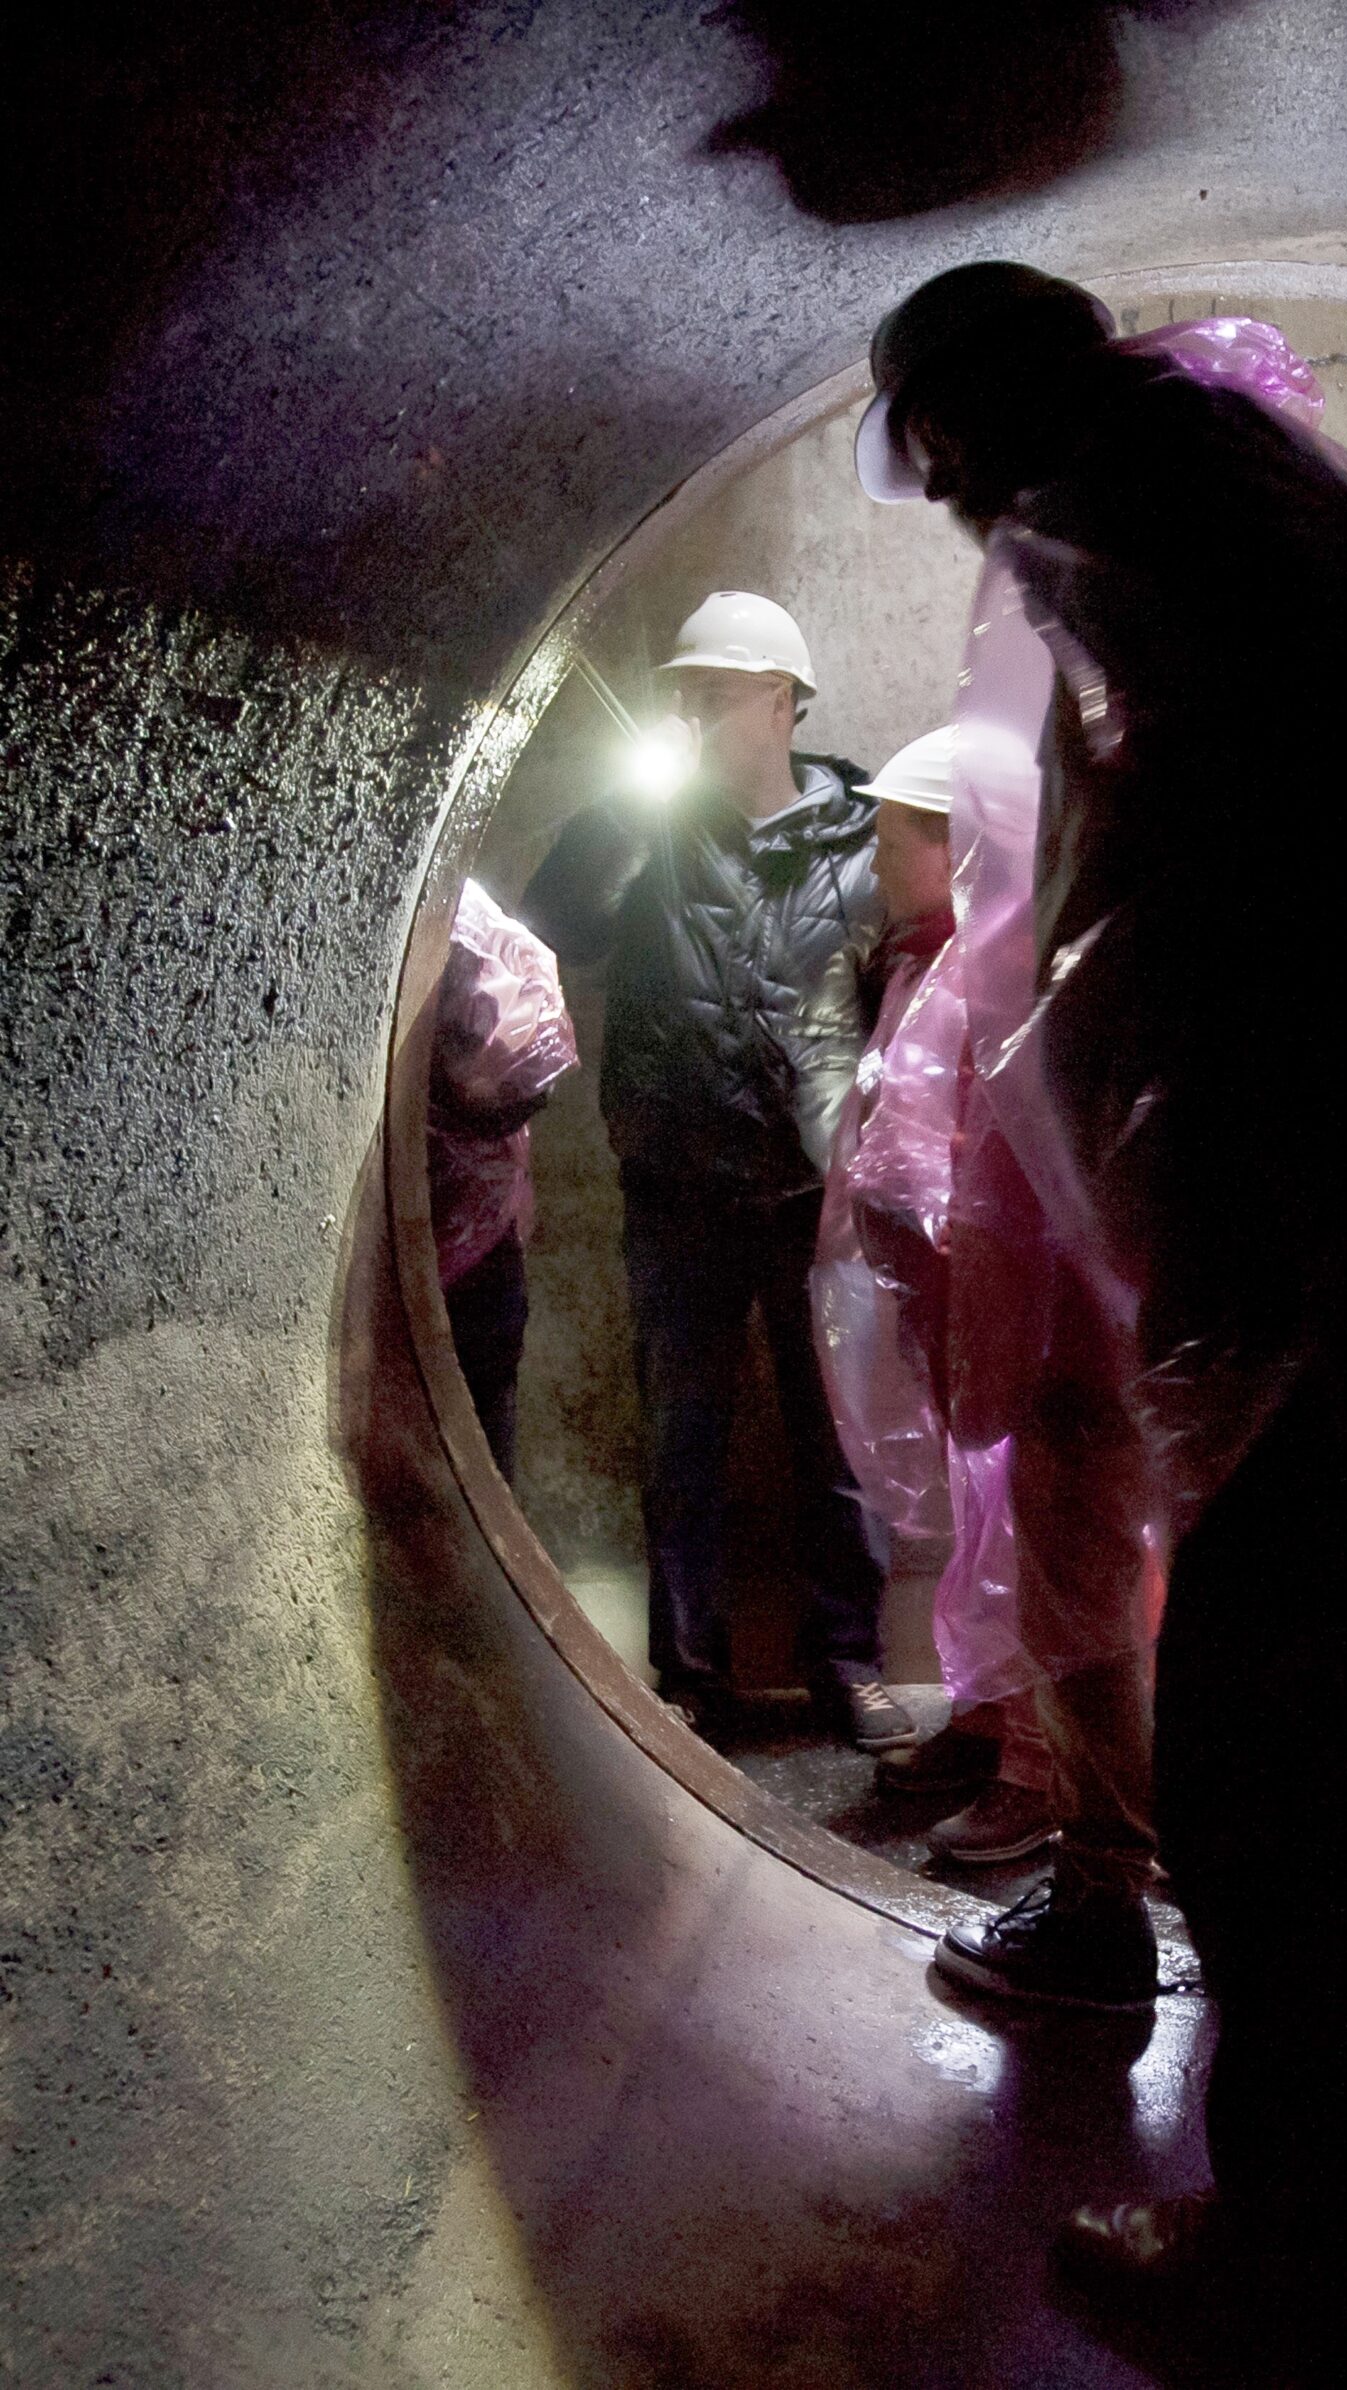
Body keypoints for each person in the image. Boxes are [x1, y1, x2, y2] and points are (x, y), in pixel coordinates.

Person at [857, 266, 1347, 2329]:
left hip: (1327, 1204)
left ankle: (1305, 2242)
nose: (963, 521)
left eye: (951, 474)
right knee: (1325, 1719)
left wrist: (1182, 1209)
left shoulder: (1151, 531)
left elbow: (1221, 910)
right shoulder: (1249, 494)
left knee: (1251, 1751)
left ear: (995, 420)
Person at [519, 592, 909, 1751]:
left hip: (817, 1196)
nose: (689, 714)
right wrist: (619, 831)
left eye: (715, 693)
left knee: (835, 1438)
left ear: (786, 701)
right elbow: (553, 938)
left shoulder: (866, 833)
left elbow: (916, 986)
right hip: (679, 1188)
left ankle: (848, 1662)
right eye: (679, 695)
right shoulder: (644, 825)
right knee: (679, 1441)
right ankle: (689, 1675)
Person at [812, 726, 1161, 2006]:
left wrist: (971, 1353)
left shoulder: (996, 967)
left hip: (1068, 1361)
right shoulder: (1129, 931)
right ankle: (1182, 1859)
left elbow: (921, 1191)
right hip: (1166, 1349)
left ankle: (1100, 1887)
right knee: (1157, 1603)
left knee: (1075, 1614)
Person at [427, 880, 578, 1481]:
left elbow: (528, 1056)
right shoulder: (455, 925)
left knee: (483, 1447)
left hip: (480, 1245)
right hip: (457, 1233)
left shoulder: (475, 937)